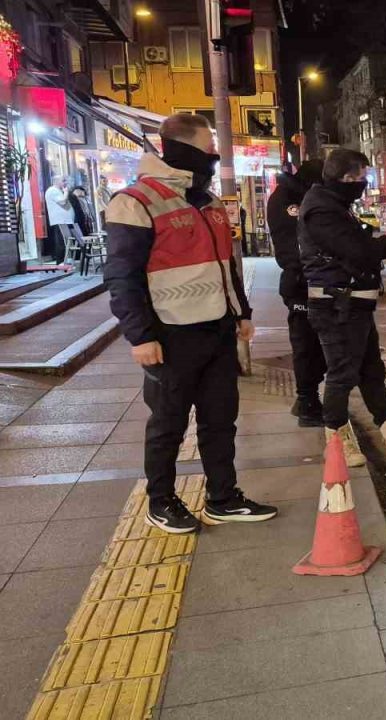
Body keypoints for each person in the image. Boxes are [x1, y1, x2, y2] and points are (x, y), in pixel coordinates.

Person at [104, 112, 277, 534]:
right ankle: (161, 501)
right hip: (169, 334)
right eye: (208, 147)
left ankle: (223, 497)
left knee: (220, 419)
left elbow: (226, 266)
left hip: (217, 330)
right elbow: (121, 276)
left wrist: (241, 313)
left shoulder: (210, 202)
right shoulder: (136, 201)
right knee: (168, 423)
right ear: (181, 148)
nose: (214, 155)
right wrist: (140, 336)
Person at [298, 148, 386, 467]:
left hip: (352, 304)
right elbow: (363, 253)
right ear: (346, 177)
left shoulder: (333, 205)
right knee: (342, 374)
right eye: (361, 177)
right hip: (336, 305)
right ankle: (336, 439)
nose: (363, 183)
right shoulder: (322, 211)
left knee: (371, 371)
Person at [266, 159, 326, 427]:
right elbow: (292, 247)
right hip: (301, 283)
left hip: (315, 280)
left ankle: (308, 398)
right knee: (305, 344)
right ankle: (307, 402)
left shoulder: (310, 197)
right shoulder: (287, 200)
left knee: (320, 346)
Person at [45, 175, 82, 264]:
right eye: (63, 181)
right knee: (62, 241)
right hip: (60, 220)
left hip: (65, 220)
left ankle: (67, 259)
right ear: (57, 181)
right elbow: (62, 201)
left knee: (67, 241)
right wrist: (66, 192)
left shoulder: (58, 191)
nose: (65, 183)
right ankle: (60, 261)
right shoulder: (52, 190)